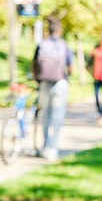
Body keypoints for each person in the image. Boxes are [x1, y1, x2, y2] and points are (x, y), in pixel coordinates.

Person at [31, 17, 73, 161]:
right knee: (57, 117)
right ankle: (53, 148)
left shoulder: (42, 45)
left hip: (44, 83)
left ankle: (45, 146)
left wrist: (37, 78)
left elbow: (34, 63)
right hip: (60, 83)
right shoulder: (64, 46)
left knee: (45, 115)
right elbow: (70, 66)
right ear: (59, 31)